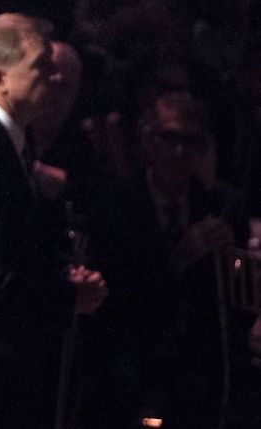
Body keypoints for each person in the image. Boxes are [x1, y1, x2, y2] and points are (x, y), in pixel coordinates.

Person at [0, 13, 108, 429]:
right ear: (0, 77)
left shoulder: (6, 141)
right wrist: (66, 298)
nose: (57, 78)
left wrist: (63, 273)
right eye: (42, 66)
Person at [84, 91, 250, 429]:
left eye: (191, 142)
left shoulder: (222, 206)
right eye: (169, 137)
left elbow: (238, 301)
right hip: (134, 366)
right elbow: (116, 298)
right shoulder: (117, 205)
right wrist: (177, 258)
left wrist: (232, 258)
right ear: (147, 140)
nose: (179, 152)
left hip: (199, 373)